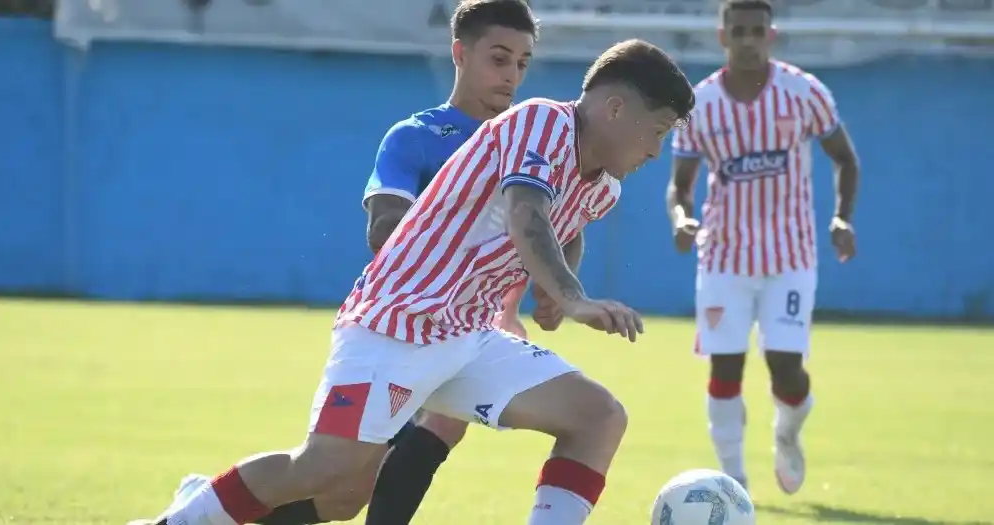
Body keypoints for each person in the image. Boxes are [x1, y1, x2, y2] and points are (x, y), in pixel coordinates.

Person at [132, 37, 694, 525]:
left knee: (597, 418)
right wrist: (573, 298)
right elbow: (528, 211)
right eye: (659, 131)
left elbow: (568, 220)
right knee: (329, 474)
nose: (656, 150)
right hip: (396, 321)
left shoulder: (605, 185)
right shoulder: (542, 121)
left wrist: (552, 288)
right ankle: (186, 513)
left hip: (465, 336)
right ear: (616, 108)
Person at [143, 2, 540, 524]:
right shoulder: (417, 137)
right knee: (339, 491)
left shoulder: (526, 147)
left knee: (437, 430)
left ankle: (202, 506)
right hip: (395, 329)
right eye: (499, 58)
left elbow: (527, 235)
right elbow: (383, 228)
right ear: (459, 54)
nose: (511, 75)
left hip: (461, 331)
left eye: (522, 63)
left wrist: (512, 304)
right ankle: (197, 510)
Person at [667, 0, 860, 495]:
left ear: (771, 35)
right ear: (722, 36)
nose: (748, 40)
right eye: (739, 31)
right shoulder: (699, 104)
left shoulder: (804, 92)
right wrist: (681, 218)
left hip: (790, 258)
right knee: (725, 366)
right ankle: (734, 481)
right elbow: (680, 185)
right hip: (724, 258)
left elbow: (845, 160)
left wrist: (841, 217)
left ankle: (788, 430)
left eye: (757, 30)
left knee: (786, 369)